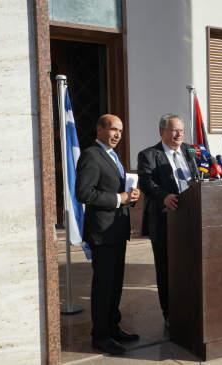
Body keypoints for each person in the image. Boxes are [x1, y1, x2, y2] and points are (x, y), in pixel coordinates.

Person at [75, 114, 140, 355]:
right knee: (103, 287)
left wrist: (129, 198)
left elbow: (116, 191)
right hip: (102, 233)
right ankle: (100, 336)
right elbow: (83, 193)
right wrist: (117, 199)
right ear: (100, 129)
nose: (117, 135)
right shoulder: (91, 155)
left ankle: (113, 327)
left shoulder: (112, 156)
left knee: (115, 286)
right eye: (113, 129)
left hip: (117, 230)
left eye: (120, 131)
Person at [137, 114, 197, 328]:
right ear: (162, 132)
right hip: (164, 220)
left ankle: (190, 305)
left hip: (192, 218)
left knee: (190, 265)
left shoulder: (191, 151)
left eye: (181, 129)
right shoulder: (149, 155)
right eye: (174, 130)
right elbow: (146, 181)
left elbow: (201, 176)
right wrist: (163, 195)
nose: (179, 133)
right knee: (166, 268)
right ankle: (169, 312)